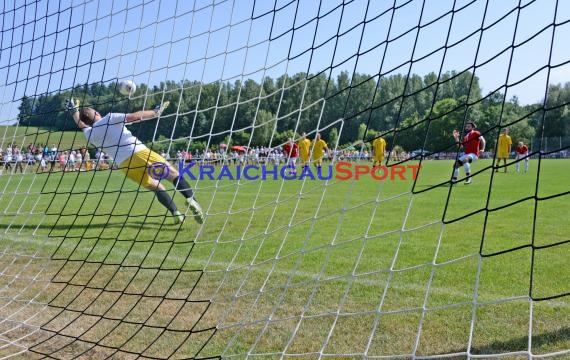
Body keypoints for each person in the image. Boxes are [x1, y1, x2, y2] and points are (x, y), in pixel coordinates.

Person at [65, 98, 204, 225]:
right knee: (173, 174)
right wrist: (155, 112)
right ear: (95, 113)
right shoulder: (109, 118)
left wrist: (74, 111)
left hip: (125, 165)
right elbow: (134, 116)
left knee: (156, 187)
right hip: (138, 152)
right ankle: (191, 199)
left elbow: (80, 124)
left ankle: (176, 213)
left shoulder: (89, 133)